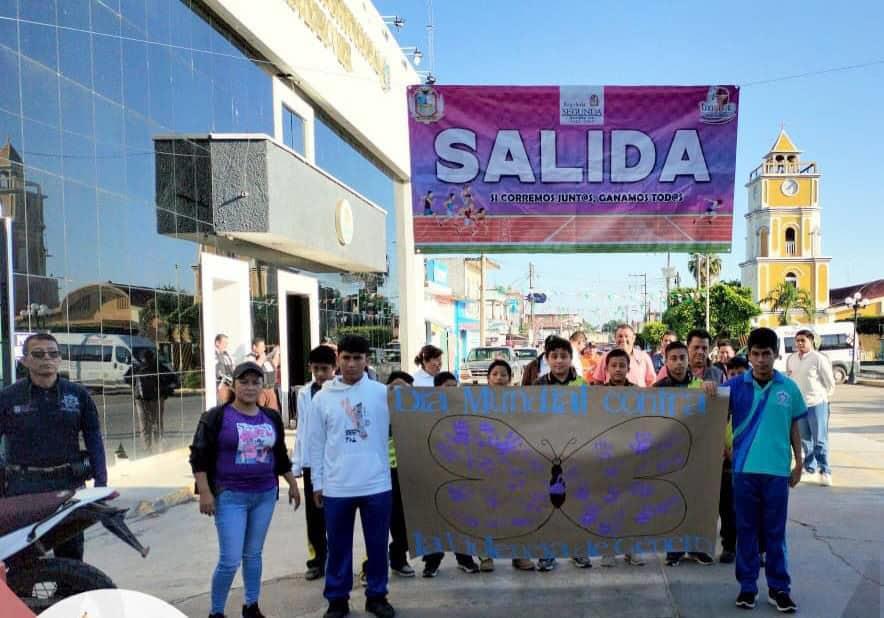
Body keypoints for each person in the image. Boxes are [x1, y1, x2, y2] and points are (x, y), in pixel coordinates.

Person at [189, 361, 300, 618]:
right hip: (230, 496)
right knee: (230, 559)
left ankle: (251, 605)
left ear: (263, 386)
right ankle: (216, 612)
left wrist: (292, 483)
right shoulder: (216, 417)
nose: (250, 387)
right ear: (234, 384)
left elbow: (280, 455)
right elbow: (199, 456)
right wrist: (205, 492)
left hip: (264, 494)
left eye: (255, 382)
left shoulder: (270, 417)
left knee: (253, 554)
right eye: (244, 382)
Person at [308, 336, 396, 618]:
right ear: (338, 360)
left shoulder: (383, 393)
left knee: (378, 545)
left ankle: (377, 596)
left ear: (367, 360)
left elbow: (416, 419)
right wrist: (317, 483)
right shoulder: (322, 398)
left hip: (376, 484)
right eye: (346, 358)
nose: (351, 364)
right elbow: (315, 443)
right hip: (337, 487)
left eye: (358, 358)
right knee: (338, 547)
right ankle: (337, 599)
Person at [0, 333, 107, 563]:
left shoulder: (78, 396)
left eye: (53, 353)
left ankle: (69, 597)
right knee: (20, 560)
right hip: (23, 487)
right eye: (38, 354)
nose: (46, 358)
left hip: (67, 484)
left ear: (59, 359)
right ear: (25, 360)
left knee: (71, 556)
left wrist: (101, 484)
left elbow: (94, 440)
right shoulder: (7, 397)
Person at [729, 328, 804, 613]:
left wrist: (799, 461)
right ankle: (747, 588)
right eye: (756, 354)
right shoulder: (735, 387)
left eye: (766, 354)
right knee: (746, 531)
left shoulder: (789, 388)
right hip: (744, 471)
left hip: (777, 473)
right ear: (748, 356)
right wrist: (708, 389)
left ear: (776, 354)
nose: (761, 360)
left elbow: (794, 427)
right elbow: (708, 414)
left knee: (775, 532)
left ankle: (779, 588)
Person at [655, 340, 718, 567]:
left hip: (695, 455)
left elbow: (714, 415)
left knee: (696, 501)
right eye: (673, 359)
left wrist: (711, 389)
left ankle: (696, 548)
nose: (678, 363)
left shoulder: (700, 386)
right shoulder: (657, 390)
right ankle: (674, 549)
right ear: (666, 360)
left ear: (688, 360)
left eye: (682, 358)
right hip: (669, 456)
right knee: (671, 502)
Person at [532, 337, 591, 572]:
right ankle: (547, 554)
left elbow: (590, 417)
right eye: (554, 356)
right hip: (546, 454)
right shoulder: (537, 387)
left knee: (576, 503)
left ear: (570, 358)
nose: (559, 361)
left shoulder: (582, 386)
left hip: (575, 452)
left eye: (563, 356)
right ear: (547, 359)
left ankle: (578, 551)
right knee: (547, 503)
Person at [421, 371, 482, 577]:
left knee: (462, 517)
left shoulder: (463, 410)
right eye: (448, 386)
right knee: (434, 519)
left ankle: (465, 558)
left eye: (454, 386)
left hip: (460, 472)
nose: (452, 390)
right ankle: (432, 561)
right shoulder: (424, 411)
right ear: (437, 389)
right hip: (434, 471)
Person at [482, 359, 536, 572]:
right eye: (494, 374)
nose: (499, 378)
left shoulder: (520, 401)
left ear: (510, 378)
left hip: (515, 465)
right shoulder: (476, 401)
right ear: (488, 378)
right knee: (487, 510)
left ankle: (520, 554)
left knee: (518, 510)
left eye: (503, 374)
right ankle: (486, 555)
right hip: (487, 465)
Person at [292, 345, 337, 581]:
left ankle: (337, 559)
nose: (320, 374)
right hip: (312, 463)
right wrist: (297, 462)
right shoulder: (304, 393)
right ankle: (317, 559)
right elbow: (303, 430)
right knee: (314, 515)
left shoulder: (339, 391)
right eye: (316, 369)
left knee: (337, 514)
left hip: (336, 463)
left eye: (325, 369)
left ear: (334, 368)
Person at [786, 329, 836, 486]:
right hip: (799, 406)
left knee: (820, 440)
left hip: (817, 404)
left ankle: (825, 471)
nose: (800, 343)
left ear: (811, 341)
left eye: (803, 340)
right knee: (805, 440)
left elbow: (830, 383)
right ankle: (810, 469)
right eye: (797, 340)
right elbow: (790, 379)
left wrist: (823, 399)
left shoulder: (818, 358)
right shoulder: (791, 358)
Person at [719, 355, 751, 565]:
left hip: (749, 461)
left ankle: (755, 549)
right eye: (733, 374)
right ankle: (729, 546)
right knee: (728, 508)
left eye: (742, 374)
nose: (737, 378)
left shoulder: (753, 399)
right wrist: (725, 449)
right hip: (726, 463)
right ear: (726, 376)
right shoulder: (720, 400)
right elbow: (713, 426)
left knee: (750, 508)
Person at [125, 349, 179, 452]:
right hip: (157, 398)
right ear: (153, 357)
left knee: (144, 424)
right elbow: (173, 379)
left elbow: (126, 379)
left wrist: (135, 386)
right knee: (157, 423)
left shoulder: (137, 367)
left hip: (140, 400)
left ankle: (147, 448)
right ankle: (159, 446)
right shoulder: (159, 367)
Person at [246, 337, 280, 412]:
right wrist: (263, 357)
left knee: (272, 414)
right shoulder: (250, 357)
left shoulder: (264, 358)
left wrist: (276, 352)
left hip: (270, 389)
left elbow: (274, 365)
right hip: (259, 390)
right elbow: (254, 367)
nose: (264, 349)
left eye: (264, 347)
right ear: (254, 347)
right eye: (261, 347)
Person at [215, 334, 235, 401]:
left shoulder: (226, 354)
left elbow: (232, 368)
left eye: (227, 343)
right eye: (224, 343)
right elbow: (218, 373)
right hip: (219, 385)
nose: (226, 345)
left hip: (228, 385)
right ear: (217, 343)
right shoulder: (213, 354)